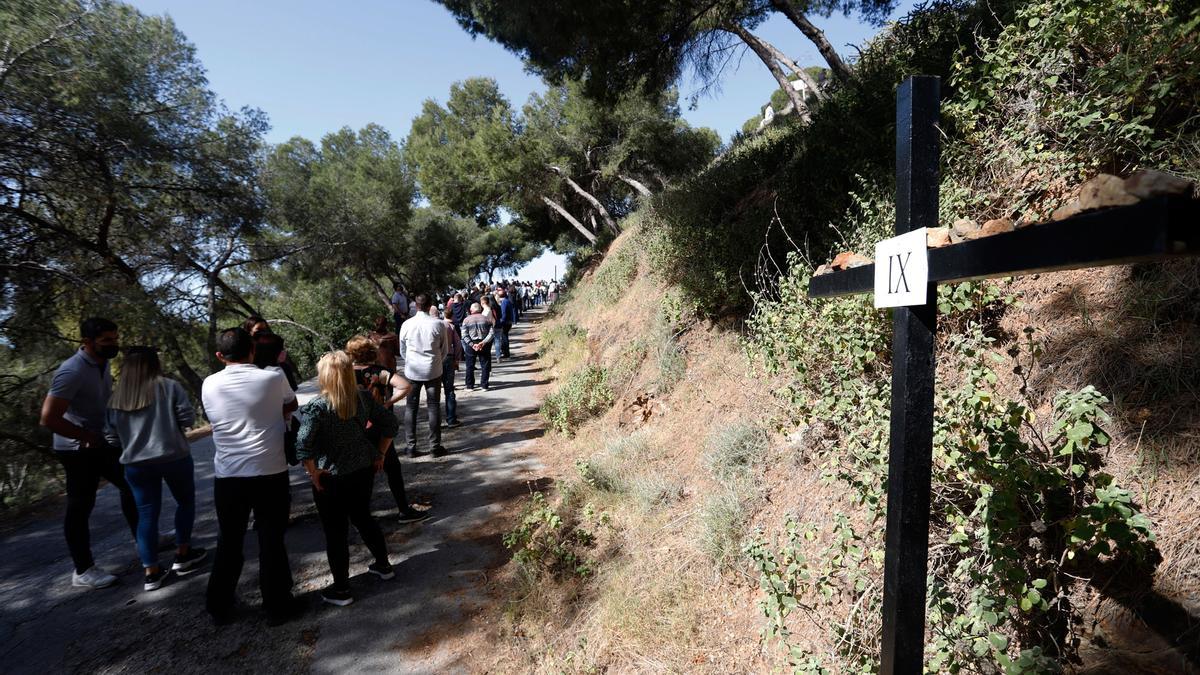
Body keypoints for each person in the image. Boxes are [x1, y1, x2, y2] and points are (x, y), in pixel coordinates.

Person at [203, 327, 299, 626]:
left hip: (229, 474)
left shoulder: (209, 383)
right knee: (271, 540)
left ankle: (219, 606)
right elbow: (292, 404)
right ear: (253, 350)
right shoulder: (272, 376)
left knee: (229, 541)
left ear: (220, 356)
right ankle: (277, 607)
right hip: (270, 470)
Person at [40, 317, 138, 589]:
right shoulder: (71, 371)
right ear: (86, 342)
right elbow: (49, 418)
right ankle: (83, 571)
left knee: (132, 484)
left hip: (99, 441)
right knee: (80, 506)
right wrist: (84, 436)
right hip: (76, 449)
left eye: (115, 339)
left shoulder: (101, 363)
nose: (113, 344)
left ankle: (143, 540)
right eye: (107, 340)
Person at [296, 351, 397, 607]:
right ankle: (384, 566)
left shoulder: (317, 408)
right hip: (362, 470)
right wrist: (381, 454)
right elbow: (391, 425)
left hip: (330, 477)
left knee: (335, 532)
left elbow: (302, 446)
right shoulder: (363, 398)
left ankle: (342, 589)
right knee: (364, 517)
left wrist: (312, 472)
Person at [104, 346, 206, 591]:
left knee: (146, 515)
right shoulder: (168, 387)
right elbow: (188, 419)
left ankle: (151, 571)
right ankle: (183, 554)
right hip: (173, 457)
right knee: (185, 503)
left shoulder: (116, 398)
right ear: (153, 364)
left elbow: (111, 438)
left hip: (136, 465)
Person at [345, 336, 430, 523]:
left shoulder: (344, 374)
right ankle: (403, 510)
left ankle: (359, 515)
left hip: (354, 426)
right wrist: (388, 403)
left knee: (360, 472)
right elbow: (405, 386)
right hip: (379, 426)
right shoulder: (379, 372)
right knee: (392, 468)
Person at [397, 294, 449, 457]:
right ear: (429, 306)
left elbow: (402, 350)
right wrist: (435, 361)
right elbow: (444, 349)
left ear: (416, 306)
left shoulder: (407, 324)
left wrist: (411, 360)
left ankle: (411, 446)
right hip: (433, 369)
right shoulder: (438, 324)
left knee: (411, 408)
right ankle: (435, 447)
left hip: (413, 370)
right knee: (433, 407)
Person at [432, 308, 462, 427]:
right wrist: (457, 359)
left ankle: (435, 422)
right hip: (448, 358)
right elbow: (458, 343)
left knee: (434, 391)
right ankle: (451, 419)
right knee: (449, 390)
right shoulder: (449, 326)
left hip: (434, 360)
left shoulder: (429, 326)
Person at [460, 303, 495, 391]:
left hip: (471, 344)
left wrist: (472, 344)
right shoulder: (487, 319)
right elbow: (491, 333)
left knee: (470, 365)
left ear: (471, 311)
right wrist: (483, 342)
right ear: (480, 310)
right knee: (485, 365)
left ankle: (469, 386)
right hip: (484, 344)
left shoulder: (466, 320)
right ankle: (484, 385)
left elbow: (464, 335)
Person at [496, 289, 517, 359]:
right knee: (505, 337)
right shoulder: (507, 301)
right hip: (509, 321)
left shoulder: (504, 302)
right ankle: (505, 352)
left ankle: (506, 353)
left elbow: (504, 313)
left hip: (505, 322)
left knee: (504, 337)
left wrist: (501, 321)